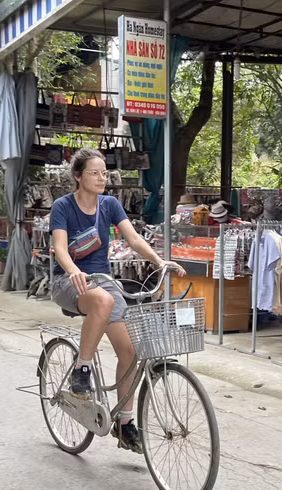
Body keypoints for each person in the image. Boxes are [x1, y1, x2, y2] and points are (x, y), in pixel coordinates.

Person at [50, 148, 185, 453]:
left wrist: (158, 261)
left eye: (104, 172)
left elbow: (133, 239)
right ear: (77, 176)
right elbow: (59, 247)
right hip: (68, 283)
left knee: (131, 351)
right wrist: (72, 270)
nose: (102, 178)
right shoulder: (63, 207)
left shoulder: (109, 205)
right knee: (102, 301)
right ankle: (81, 370)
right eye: (94, 172)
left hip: (103, 283)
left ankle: (124, 424)